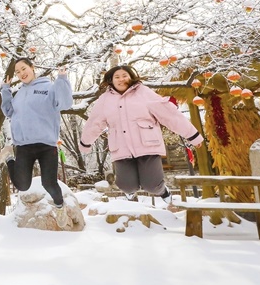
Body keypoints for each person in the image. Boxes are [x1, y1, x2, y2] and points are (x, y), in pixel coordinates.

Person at [78, 65, 204, 204]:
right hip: (121, 148)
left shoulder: (144, 93)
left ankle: (163, 191)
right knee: (126, 186)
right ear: (111, 80)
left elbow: (169, 114)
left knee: (152, 186)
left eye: (124, 76)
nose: (121, 79)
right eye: (117, 77)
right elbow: (94, 122)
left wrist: (192, 135)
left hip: (148, 145)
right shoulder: (105, 100)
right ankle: (130, 191)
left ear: (131, 77)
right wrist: (85, 143)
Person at [0, 57, 73, 225]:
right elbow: (8, 111)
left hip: (46, 145)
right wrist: (5, 90)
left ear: (32, 67)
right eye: (17, 72)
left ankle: (60, 207)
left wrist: (62, 79)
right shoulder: (19, 94)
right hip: (23, 145)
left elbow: (65, 103)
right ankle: (9, 157)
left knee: (49, 183)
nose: (21, 73)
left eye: (23, 68)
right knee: (22, 185)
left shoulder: (49, 88)